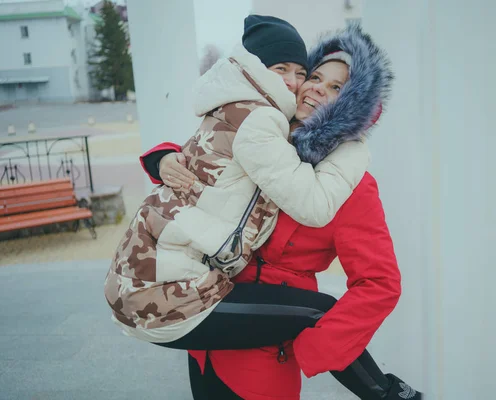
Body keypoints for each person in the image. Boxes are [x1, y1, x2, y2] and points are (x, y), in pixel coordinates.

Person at [140, 24, 422, 400]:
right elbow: (212, 150)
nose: (318, 87)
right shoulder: (266, 135)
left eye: (337, 87)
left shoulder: (352, 185)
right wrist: (162, 158)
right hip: (208, 331)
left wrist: (318, 345)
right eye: (315, 75)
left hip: (264, 353)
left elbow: (380, 283)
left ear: (355, 103)